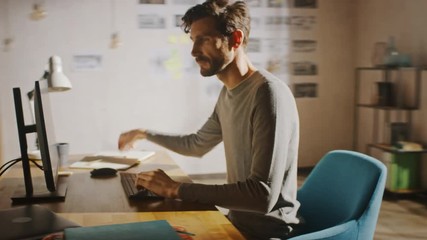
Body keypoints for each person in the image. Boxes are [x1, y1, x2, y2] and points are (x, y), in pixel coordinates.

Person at [118, 0, 300, 239]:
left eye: (203, 39)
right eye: (193, 40)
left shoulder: (268, 93)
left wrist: (176, 188)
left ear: (235, 39)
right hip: (236, 222)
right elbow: (197, 144)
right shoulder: (228, 93)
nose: (194, 51)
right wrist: (144, 133)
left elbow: (262, 196)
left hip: (264, 233)